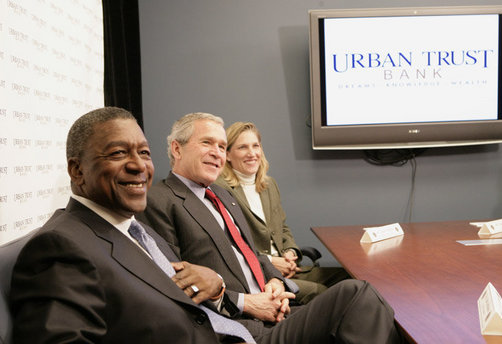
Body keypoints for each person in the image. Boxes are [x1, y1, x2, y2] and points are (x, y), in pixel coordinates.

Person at [138, 112, 402, 343]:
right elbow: (173, 285)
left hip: (273, 312)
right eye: (207, 143)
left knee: (372, 308)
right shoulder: (160, 201)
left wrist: (275, 281)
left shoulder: (222, 195)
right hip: (241, 328)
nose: (217, 152)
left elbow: (250, 253)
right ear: (176, 149)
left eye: (221, 145)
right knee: (356, 292)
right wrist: (247, 303)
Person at [9, 107, 257, 344]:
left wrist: (216, 283)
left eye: (144, 153)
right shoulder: (59, 248)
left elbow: (184, 304)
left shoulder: (136, 229)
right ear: (77, 171)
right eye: (118, 153)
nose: (139, 166)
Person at [216, 121, 349, 304]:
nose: (252, 153)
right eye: (242, 147)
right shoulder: (220, 189)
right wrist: (270, 261)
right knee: (322, 292)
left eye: (256, 146)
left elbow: (282, 227)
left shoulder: (268, 185)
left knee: (347, 278)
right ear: (228, 154)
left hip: (287, 267)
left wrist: (290, 253)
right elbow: (229, 243)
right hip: (260, 275)